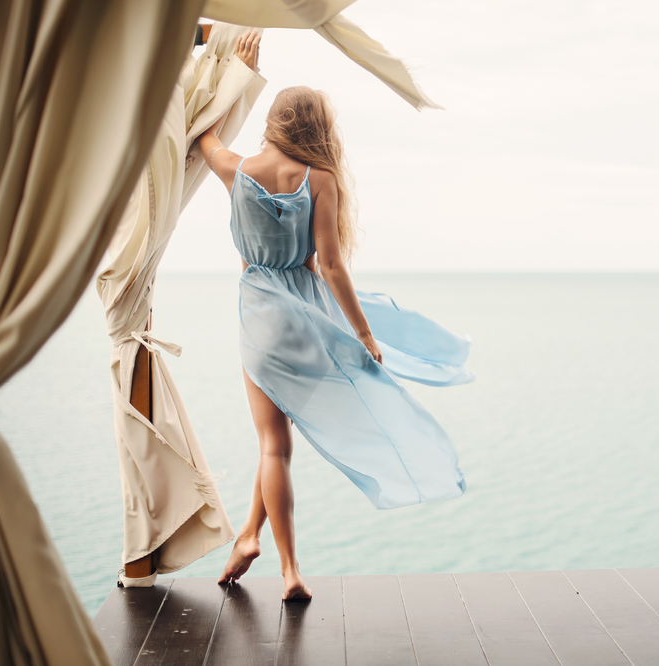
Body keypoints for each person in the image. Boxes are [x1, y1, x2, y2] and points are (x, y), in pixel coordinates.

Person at [197, 32, 472, 600]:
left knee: (273, 446)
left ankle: (278, 559)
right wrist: (364, 332)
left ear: (273, 121)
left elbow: (205, 132)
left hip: (260, 320)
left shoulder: (236, 169)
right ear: (317, 128)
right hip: (308, 321)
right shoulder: (318, 180)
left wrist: (235, 75)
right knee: (281, 445)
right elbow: (332, 265)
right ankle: (262, 548)